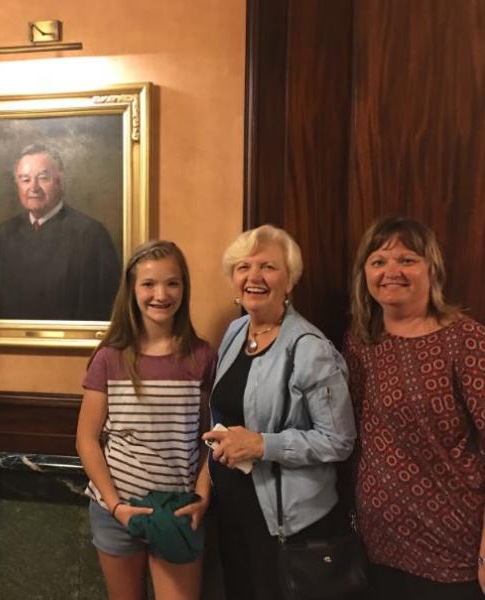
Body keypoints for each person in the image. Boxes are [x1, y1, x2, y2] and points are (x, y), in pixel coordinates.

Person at [202, 224, 356, 600]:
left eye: (268, 267)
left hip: (287, 526)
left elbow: (339, 440)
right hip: (232, 511)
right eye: (243, 267)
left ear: (289, 281)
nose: (254, 276)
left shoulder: (310, 348)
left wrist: (262, 445)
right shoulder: (235, 331)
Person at [344, 216, 485, 599]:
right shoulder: (359, 342)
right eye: (378, 261)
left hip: (453, 551)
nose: (391, 271)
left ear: (432, 268)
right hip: (375, 547)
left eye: (407, 260)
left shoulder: (466, 340)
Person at [76, 240, 215, 599]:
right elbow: (87, 440)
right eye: (149, 284)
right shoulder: (109, 358)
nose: (161, 295)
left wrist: (202, 495)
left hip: (179, 508)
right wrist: (116, 505)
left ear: (184, 288)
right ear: (132, 290)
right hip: (118, 509)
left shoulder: (201, 357)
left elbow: (210, 437)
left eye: (172, 283)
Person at [0, 143, 121, 320]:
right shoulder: (4, 234)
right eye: (25, 180)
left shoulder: (91, 235)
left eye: (43, 178)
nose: (34, 188)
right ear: (17, 186)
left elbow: (106, 310)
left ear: (60, 182)